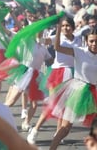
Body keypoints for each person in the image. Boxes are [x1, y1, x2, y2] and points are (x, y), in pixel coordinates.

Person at [35, 22, 97, 150]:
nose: (94, 44)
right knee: (65, 127)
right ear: (86, 41)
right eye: (91, 41)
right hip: (78, 92)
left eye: (96, 41)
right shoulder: (79, 51)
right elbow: (57, 47)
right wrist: (58, 29)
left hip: (94, 91)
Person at [27, 16, 82, 144]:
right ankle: (35, 130)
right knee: (53, 104)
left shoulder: (79, 39)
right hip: (58, 73)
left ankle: (58, 133)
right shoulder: (57, 37)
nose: (65, 28)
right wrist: (42, 27)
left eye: (67, 25)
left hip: (73, 74)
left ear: (73, 27)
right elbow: (40, 40)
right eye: (62, 26)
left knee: (64, 107)